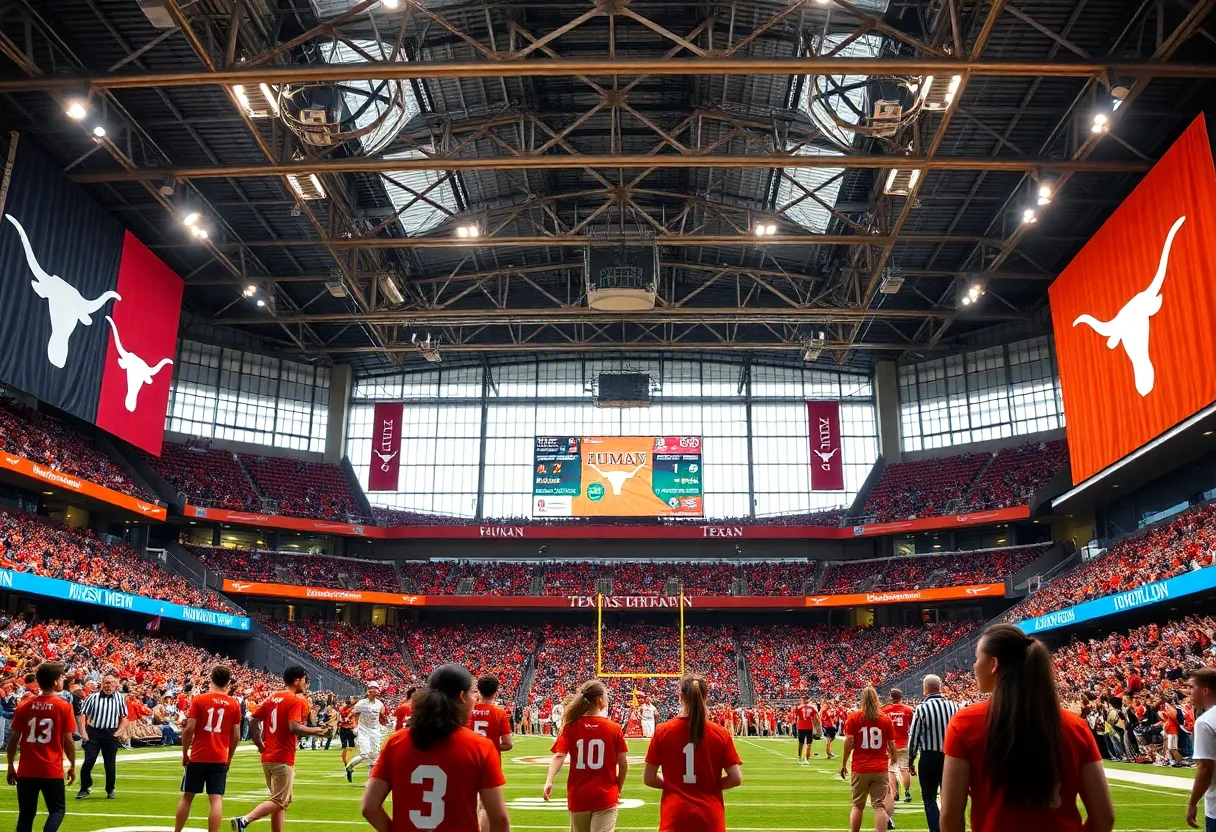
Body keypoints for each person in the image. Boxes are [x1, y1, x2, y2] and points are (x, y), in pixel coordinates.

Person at [939, 624, 1115, 832]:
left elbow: (951, 815)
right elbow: (1103, 816)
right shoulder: (1076, 726)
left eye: (977, 658)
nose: (974, 666)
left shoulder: (964, 723)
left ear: (993, 664)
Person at [360, 664, 510, 832]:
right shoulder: (480, 746)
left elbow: (369, 807)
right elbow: (499, 818)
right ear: (462, 696)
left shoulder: (396, 742)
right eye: (473, 693)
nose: (475, 699)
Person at [229, 666, 327, 832]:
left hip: (268, 755)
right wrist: (315, 731)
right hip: (283, 756)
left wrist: (260, 744)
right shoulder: (296, 700)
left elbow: (253, 720)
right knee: (279, 801)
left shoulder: (273, 697)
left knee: (280, 802)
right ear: (297, 680)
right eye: (304, 680)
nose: (305, 683)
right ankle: (244, 820)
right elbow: (294, 727)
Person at [643, 674, 742, 832]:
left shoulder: (662, 731)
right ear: (706, 697)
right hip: (710, 817)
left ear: (680, 697)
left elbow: (649, 778)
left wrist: (673, 786)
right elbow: (735, 778)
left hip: (675, 816)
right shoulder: (720, 733)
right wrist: (710, 786)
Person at [543, 680, 628, 832]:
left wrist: (549, 781)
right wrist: (618, 787)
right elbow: (623, 764)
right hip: (605, 795)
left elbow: (559, 756)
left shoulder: (570, 726)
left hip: (579, 795)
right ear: (600, 700)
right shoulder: (614, 728)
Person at [6, 661, 74, 832]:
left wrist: (10, 766)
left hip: (27, 769)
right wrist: (72, 765)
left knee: (26, 815)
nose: (62, 681)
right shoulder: (63, 706)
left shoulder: (24, 705)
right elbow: (68, 741)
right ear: (54, 682)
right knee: (57, 810)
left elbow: (14, 738)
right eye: (61, 677)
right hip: (50, 768)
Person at [175, 665, 241, 832]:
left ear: (211, 678)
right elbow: (236, 735)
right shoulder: (233, 704)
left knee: (187, 797)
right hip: (219, 757)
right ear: (228, 682)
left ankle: (177, 831)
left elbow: (189, 729)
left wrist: (184, 752)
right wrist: (229, 758)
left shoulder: (199, 699)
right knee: (216, 799)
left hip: (198, 755)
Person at [906, 674, 959, 832]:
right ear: (940, 687)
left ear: (925, 689)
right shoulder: (954, 706)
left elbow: (914, 737)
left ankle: (936, 829)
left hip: (929, 757)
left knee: (929, 798)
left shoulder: (922, 708)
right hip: (951, 757)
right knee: (948, 798)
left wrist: (910, 760)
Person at [840, 686, 896, 832]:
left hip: (860, 767)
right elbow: (891, 744)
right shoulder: (885, 718)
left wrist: (844, 763)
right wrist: (894, 759)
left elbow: (848, 745)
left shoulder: (854, 717)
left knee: (858, 806)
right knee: (879, 807)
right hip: (880, 766)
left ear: (862, 700)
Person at [77, 673, 128, 800]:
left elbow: (124, 717)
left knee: (110, 763)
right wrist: (83, 733)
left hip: (110, 733)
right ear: (101, 683)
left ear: (116, 685)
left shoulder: (120, 698)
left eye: (111, 683)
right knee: (89, 761)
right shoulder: (92, 697)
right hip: (94, 732)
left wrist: (119, 731)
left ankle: (110, 788)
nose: (108, 685)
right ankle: (85, 787)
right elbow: (83, 716)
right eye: (106, 682)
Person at [1187, 668, 1216, 830]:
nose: (1189, 691)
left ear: (1204, 690)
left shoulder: (1205, 722)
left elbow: (1205, 768)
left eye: (1192, 687)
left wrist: (1192, 803)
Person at [345, 682, 388, 783]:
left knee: (374, 756)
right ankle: (350, 767)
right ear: (369, 691)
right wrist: (353, 725)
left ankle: (371, 780)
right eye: (373, 689)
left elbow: (382, 717)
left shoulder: (379, 704)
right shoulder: (361, 703)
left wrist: (385, 723)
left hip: (375, 731)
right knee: (365, 754)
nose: (376, 692)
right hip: (363, 730)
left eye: (376, 689)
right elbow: (352, 714)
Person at [883, 689, 915, 805]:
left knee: (891, 770)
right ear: (901, 697)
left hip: (890, 744)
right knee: (904, 769)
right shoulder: (908, 710)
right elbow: (912, 726)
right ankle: (906, 792)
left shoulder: (885, 710)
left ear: (891, 697)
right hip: (904, 742)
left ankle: (895, 793)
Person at [469, 675, 513, 756]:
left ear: (478, 690)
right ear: (496, 691)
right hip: (491, 759)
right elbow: (508, 744)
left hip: (471, 757)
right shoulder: (500, 713)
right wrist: (489, 746)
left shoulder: (468, 711)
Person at [794, 695, 822, 765]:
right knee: (808, 743)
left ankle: (800, 756)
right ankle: (806, 757)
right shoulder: (812, 707)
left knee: (802, 742)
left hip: (801, 726)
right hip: (808, 726)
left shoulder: (799, 707)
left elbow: (796, 716)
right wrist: (818, 727)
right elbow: (816, 717)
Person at [338, 697, 357, 768]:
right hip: (346, 726)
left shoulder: (352, 709)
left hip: (349, 726)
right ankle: (347, 757)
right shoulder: (349, 709)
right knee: (347, 743)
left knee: (349, 742)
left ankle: (348, 757)